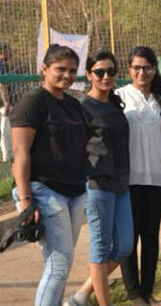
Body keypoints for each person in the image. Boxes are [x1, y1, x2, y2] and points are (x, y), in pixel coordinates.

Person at [10, 44, 89, 306]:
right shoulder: (33, 102)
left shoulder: (73, 105)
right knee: (59, 264)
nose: (67, 75)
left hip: (75, 192)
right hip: (44, 190)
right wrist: (24, 199)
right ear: (44, 69)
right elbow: (20, 153)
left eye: (72, 71)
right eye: (60, 69)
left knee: (60, 263)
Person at [66, 51, 133, 306]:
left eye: (111, 72)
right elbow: (75, 147)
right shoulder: (83, 107)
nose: (106, 77)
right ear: (89, 75)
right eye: (100, 72)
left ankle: (82, 295)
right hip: (98, 185)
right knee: (101, 248)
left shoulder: (114, 103)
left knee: (124, 246)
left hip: (121, 184)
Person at [118, 46, 161, 306]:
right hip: (129, 180)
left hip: (157, 179)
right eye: (136, 67)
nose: (141, 72)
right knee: (129, 237)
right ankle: (133, 294)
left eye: (147, 67)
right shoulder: (118, 97)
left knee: (151, 236)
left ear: (154, 69)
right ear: (129, 69)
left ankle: (148, 291)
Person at [1, 42, 13, 163]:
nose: (11, 53)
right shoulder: (1, 65)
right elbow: (2, 84)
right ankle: (7, 156)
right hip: (1, 104)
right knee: (5, 129)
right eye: (8, 50)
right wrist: (6, 102)